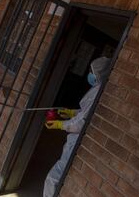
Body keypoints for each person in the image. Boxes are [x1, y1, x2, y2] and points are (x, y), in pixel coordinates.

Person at [43, 56, 111, 197]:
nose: (89, 74)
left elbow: (82, 121)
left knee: (54, 177)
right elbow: (84, 111)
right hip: (73, 140)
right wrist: (70, 112)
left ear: (99, 73)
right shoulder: (97, 88)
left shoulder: (98, 91)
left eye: (92, 71)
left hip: (78, 140)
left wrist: (60, 124)